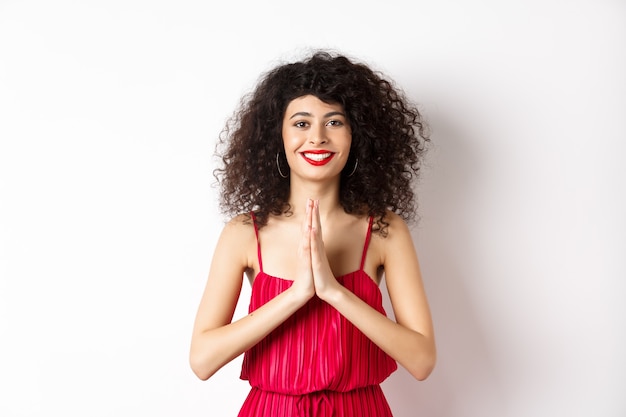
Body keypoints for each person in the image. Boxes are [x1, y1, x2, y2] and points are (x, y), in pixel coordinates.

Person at [189, 50, 436, 416]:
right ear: (278, 135)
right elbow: (202, 361)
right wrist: (297, 295)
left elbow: (422, 361)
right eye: (301, 123)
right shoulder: (244, 234)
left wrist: (334, 292)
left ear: (357, 135)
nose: (318, 138)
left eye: (334, 122)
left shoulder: (385, 230)